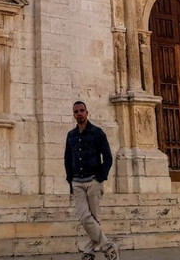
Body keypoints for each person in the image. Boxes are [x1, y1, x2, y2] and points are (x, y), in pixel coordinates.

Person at [64, 101, 117, 260]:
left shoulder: (98, 133)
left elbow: (107, 157)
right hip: (77, 182)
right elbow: (67, 159)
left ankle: (89, 252)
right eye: (76, 111)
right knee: (83, 216)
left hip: (93, 181)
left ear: (87, 112)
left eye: (82, 110)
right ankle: (108, 246)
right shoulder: (71, 136)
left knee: (93, 218)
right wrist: (70, 182)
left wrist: (99, 178)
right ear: (73, 115)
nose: (79, 113)